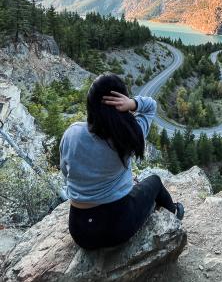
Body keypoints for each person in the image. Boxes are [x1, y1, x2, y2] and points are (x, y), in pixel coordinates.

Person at [59, 73, 184, 250]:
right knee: (154, 181)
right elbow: (151, 106)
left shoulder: (72, 134)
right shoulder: (128, 136)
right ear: (121, 105)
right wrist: (132, 103)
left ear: (90, 105)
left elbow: (65, 172)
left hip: (80, 232)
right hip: (117, 228)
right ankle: (175, 211)